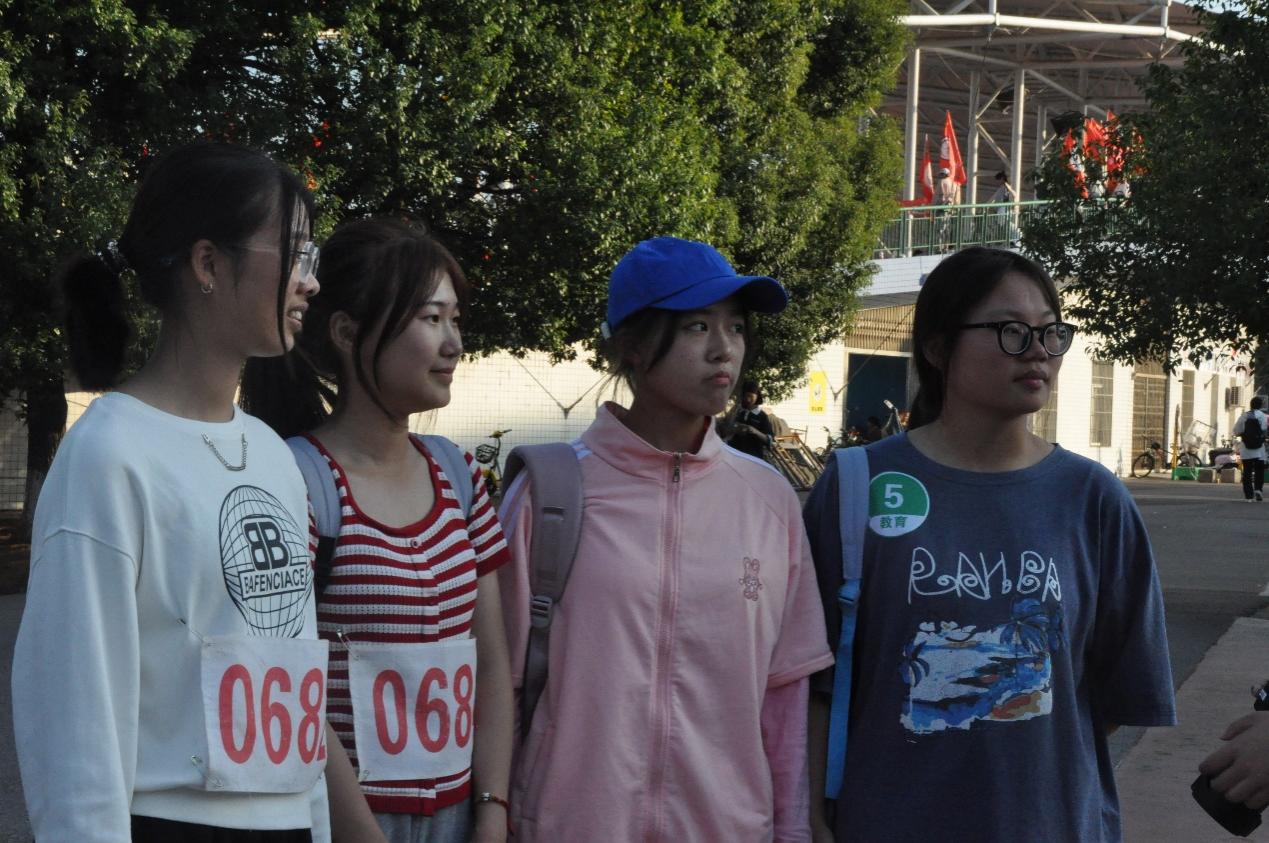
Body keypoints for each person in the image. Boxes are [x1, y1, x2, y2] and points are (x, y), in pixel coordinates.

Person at [12, 143, 385, 842]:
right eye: (295, 253)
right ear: (208, 264)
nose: (311, 282)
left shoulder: (272, 455)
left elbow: (292, 680)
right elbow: (74, 722)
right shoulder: (109, 453)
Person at [804, 246, 1176, 842]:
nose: (1038, 351)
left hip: (1049, 824)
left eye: (1050, 332)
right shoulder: (858, 486)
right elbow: (813, 681)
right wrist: (810, 814)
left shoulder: (1093, 498)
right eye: (1010, 331)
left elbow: (1109, 696)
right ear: (937, 348)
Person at [497, 236, 833, 842]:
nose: (723, 348)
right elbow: (501, 684)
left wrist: (791, 833)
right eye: (697, 326)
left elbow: (784, 698)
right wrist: (496, 815)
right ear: (630, 344)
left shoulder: (769, 499)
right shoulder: (549, 493)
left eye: (735, 327)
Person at [241, 218, 514, 843]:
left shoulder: (460, 475)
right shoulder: (294, 480)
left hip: (460, 816)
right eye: (431, 318)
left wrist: (492, 809)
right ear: (345, 332)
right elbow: (290, 682)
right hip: (342, 820)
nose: (453, 344)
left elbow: (492, 661)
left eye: (455, 319)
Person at [724, 380, 775, 459]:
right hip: (735, 454)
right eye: (746, 396)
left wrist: (754, 431)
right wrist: (735, 427)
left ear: (757, 397)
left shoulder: (762, 416)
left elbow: (769, 440)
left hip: (753, 457)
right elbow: (726, 428)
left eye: (751, 397)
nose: (748, 399)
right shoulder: (738, 411)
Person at [1233, 396, 1266, 502]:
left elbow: (1236, 431)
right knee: (1259, 470)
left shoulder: (1244, 415)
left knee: (1247, 471)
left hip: (1246, 448)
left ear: (1251, 405)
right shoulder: (1262, 416)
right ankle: (1258, 489)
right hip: (1259, 449)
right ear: (1260, 406)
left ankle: (1248, 496)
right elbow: (1264, 429)